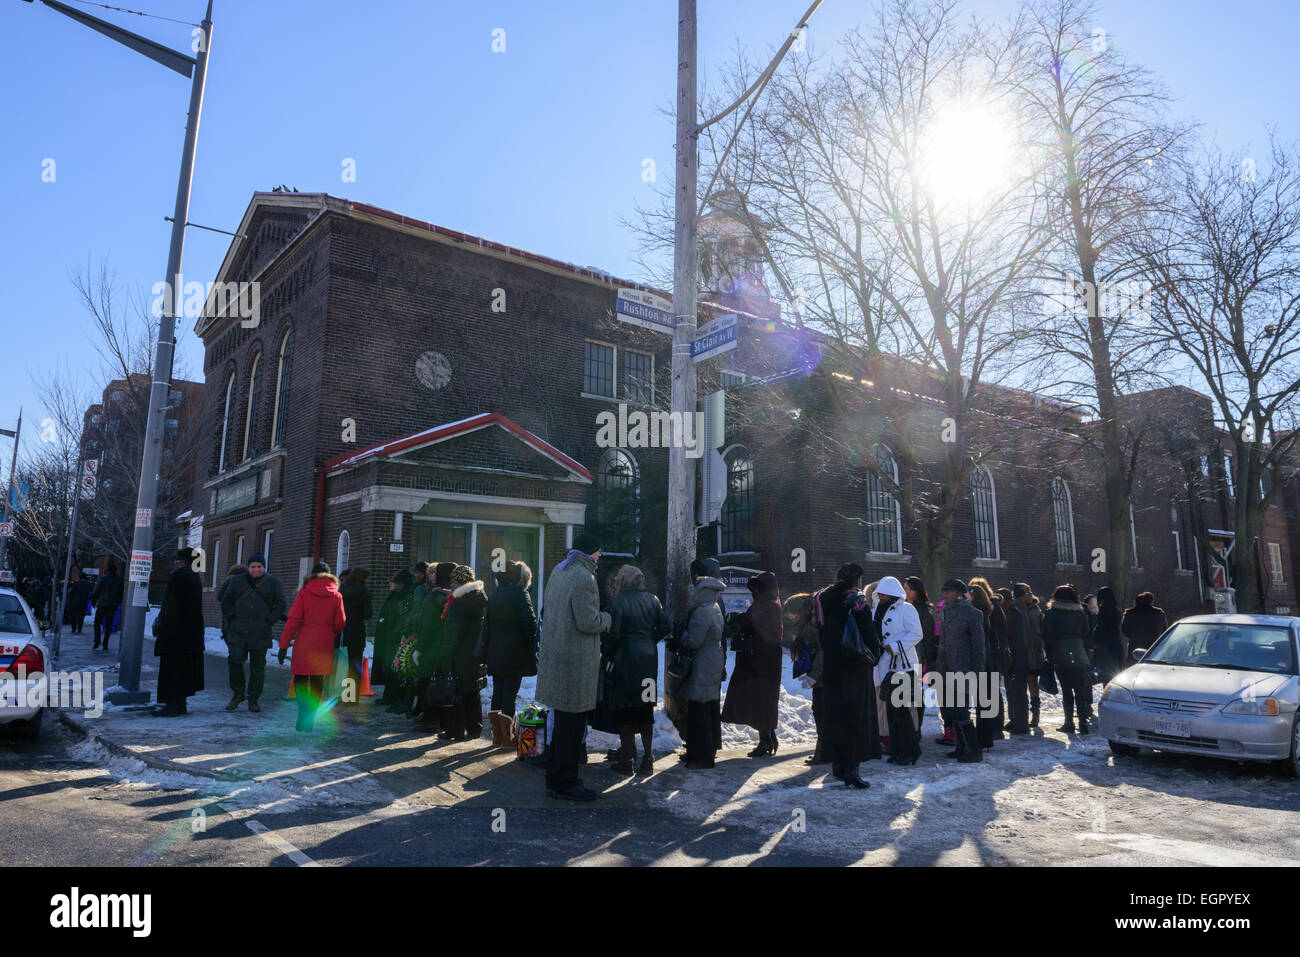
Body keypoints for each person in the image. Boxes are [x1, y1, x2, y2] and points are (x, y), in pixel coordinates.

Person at [535, 532, 611, 801]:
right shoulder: (584, 578)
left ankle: (555, 777)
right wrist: (607, 618)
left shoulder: (559, 572)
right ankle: (565, 782)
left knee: (562, 724)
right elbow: (588, 621)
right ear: (591, 552)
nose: (600, 556)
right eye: (599, 552)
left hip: (557, 657)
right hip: (576, 662)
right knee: (572, 725)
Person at [815, 563, 880, 788]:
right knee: (856, 716)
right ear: (857, 579)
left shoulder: (822, 597)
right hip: (855, 664)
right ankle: (852, 769)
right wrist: (875, 653)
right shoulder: (856, 598)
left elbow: (821, 631)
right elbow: (867, 631)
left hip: (833, 665)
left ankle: (838, 765)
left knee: (836, 715)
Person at [604, 564, 670, 773]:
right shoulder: (653, 599)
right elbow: (666, 627)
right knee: (645, 707)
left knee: (625, 707)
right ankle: (648, 758)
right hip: (649, 661)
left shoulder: (620, 600)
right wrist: (649, 640)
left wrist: (608, 651)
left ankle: (627, 759)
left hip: (625, 661)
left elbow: (614, 633)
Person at [278, 561, 346, 733]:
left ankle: (303, 713)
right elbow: (341, 622)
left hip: (304, 642)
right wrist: (330, 633)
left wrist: (283, 645)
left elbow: (293, 621)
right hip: (324, 643)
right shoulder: (336, 596)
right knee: (317, 681)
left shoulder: (304, 593)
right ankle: (311, 715)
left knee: (301, 680)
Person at [723, 571, 783, 759]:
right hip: (758, 661)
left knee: (763, 700)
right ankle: (769, 738)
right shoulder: (766, 603)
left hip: (764, 662)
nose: (755, 593)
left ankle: (766, 742)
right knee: (760, 700)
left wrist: (738, 619)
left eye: (758, 589)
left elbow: (755, 622)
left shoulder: (770, 606)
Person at [219, 554, 287, 713]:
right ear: (248, 567)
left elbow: (281, 604)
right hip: (238, 631)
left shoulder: (273, 583)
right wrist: (232, 618)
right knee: (235, 661)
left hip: (261, 631)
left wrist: (270, 620)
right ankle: (238, 693)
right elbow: (225, 601)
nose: (256, 570)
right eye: (253, 567)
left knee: (258, 667)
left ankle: (253, 699)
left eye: (259, 567)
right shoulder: (236, 581)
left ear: (264, 567)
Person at [483, 560, 539, 733]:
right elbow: (530, 626)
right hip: (515, 653)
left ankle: (497, 734)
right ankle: (507, 736)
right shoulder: (520, 595)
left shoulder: (495, 594)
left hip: (495, 651)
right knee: (510, 695)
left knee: (498, 693)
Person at [680, 567, 727, 770]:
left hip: (702, 662)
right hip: (713, 659)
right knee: (709, 707)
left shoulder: (703, 610)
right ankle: (704, 751)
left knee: (698, 709)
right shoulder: (715, 607)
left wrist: (681, 634)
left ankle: (702, 757)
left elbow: (692, 641)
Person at [874, 576, 923, 765]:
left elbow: (916, 633)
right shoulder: (878, 609)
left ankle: (910, 751)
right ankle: (897, 750)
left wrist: (895, 646)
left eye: (883, 592)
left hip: (902, 664)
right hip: (886, 664)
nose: (880, 595)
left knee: (901, 711)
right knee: (891, 711)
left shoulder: (906, 609)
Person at [151, 548, 206, 718]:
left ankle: (172, 705)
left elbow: (171, 607)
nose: (176, 563)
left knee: (171, 670)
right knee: (184, 670)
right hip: (189, 634)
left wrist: (162, 624)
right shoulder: (194, 578)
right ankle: (180, 703)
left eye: (178, 560)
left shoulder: (178, 577)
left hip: (174, 634)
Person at [437, 564, 488, 741]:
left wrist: (444, 656)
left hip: (459, 654)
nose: (450, 585)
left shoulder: (458, 605)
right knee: (472, 692)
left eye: (453, 581)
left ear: (460, 582)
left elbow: (451, 634)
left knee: (457, 693)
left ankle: (454, 731)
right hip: (474, 654)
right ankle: (475, 728)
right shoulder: (478, 599)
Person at [936, 578, 984, 763]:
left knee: (962, 710)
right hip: (947, 667)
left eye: (949, 591)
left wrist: (977, 670)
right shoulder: (946, 611)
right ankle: (961, 747)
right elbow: (943, 642)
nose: (945, 595)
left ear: (958, 592)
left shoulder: (972, 613)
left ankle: (973, 749)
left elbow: (978, 645)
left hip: (964, 668)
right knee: (953, 711)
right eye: (944, 591)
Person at [1042, 584, 1093, 734]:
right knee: (1080, 688)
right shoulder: (1081, 613)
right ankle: (1083, 722)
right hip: (1079, 653)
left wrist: (1050, 655)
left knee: (1066, 690)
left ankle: (1069, 722)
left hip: (1061, 654)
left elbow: (1048, 635)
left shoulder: (1051, 614)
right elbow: (1086, 632)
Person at [409, 562, 454, 723]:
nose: (431, 577)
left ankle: (428, 717)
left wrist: (419, 649)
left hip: (431, 647)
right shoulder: (453, 597)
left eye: (435, 574)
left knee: (427, 682)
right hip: (446, 647)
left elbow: (427, 626)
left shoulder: (433, 598)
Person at [785, 593, 826, 765]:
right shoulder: (808, 625)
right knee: (820, 711)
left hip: (821, 677)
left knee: (820, 712)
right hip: (820, 676)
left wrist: (812, 675)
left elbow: (820, 653)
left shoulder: (809, 628)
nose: (790, 618)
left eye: (791, 614)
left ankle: (822, 752)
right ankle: (822, 751)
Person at [969, 578, 1007, 751]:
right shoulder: (985, 610)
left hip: (989, 654)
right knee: (989, 693)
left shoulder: (982, 611)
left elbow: (997, 631)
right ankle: (993, 728)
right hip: (990, 653)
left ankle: (994, 728)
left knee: (989, 693)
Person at [374, 569, 415, 706]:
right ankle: (389, 696)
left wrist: (395, 633)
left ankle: (395, 697)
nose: (390, 584)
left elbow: (403, 619)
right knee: (390, 667)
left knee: (395, 668)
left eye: (394, 582)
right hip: (390, 636)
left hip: (396, 637)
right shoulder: (394, 597)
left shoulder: (405, 599)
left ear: (401, 584)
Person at [999, 586, 1031, 734]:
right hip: (1017, 658)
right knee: (1014, 692)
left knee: (1018, 693)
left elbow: (1015, 639)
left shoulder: (1013, 613)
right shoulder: (1014, 611)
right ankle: (1015, 721)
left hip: (1018, 659)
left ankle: (1021, 724)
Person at [338, 568, 372, 706]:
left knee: (341, 664)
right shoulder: (364, 592)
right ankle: (350, 697)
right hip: (356, 631)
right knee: (355, 664)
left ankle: (336, 693)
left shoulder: (342, 589)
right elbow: (367, 614)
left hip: (341, 631)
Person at [1020, 586, 1046, 727]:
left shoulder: (1036, 609)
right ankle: (1023, 713)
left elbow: (1042, 629)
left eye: (1030, 592)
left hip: (1034, 651)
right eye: (1026, 593)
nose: (1029, 595)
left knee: (1032, 681)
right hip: (1022, 650)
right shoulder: (1017, 609)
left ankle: (1035, 713)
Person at [1121, 591, 1168, 665]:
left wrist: (1134, 636)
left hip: (1134, 647)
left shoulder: (1129, 614)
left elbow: (1124, 630)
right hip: (1154, 648)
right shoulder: (1159, 614)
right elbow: (1164, 631)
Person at [1091, 585, 1124, 688]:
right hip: (1116, 644)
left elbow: (1100, 628)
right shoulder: (1117, 610)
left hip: (1105, 647)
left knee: (1105, 674)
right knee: (1114, 673)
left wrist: (1094, 639)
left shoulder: (1103, 611)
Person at [91, 561, 124, 651]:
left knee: (97, 623)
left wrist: (93, 601)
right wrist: (118, 604)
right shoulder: (119, 580)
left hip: (102, 604)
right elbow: (121, 594)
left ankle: (97, 641)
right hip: (112, 606)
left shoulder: (103, 579)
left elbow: (96, 590)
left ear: (108, 570)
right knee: (109, 625)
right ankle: (105, 643)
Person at [65, 568, 92, 635]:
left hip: (74, 603)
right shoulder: (88, 584)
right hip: (83, 603)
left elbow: (70, 593)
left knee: (73, 616)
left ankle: (73, 628)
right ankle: (79, 629)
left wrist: (70, 601)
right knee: (81, 616)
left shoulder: (75, 584)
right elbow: (92, 593)